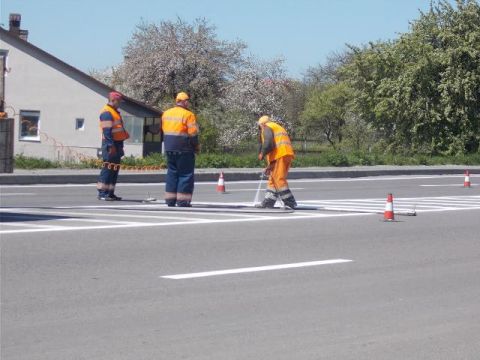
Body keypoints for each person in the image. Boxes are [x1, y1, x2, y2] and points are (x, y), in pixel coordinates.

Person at [161, 92, 199, 207]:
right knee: (185, 174)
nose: (188, 102)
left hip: (169, 148)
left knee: (172, 173)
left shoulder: (166, 113)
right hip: (184, 149)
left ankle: (170, 200)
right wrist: (196, 146)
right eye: (187, 100)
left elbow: (163, 129)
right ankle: (183, 201)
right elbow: (193, 134)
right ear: (184, 101)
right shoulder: (189, 115)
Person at [256, 115, 297, 209]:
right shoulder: (276, 126)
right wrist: (269, 165)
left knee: (278, 179)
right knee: (273, 179)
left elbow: (268, 142)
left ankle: (290, 202)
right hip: (284, 154)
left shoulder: (267, 127)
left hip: (280, 155)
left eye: (259, 127)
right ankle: (269, 201)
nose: (260, 129)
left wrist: (262, 153)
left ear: (262, 124)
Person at [96, 91, 129, 201]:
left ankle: (110, 192)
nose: (119, 103)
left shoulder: (114, 112)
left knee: (114, 170)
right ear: (113, 100)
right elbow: (107, 131)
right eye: (119, 101)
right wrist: (111, 146)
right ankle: (102, 193)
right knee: (108, 169)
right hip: (110, 144)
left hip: (117, 143)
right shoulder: (107, 113)